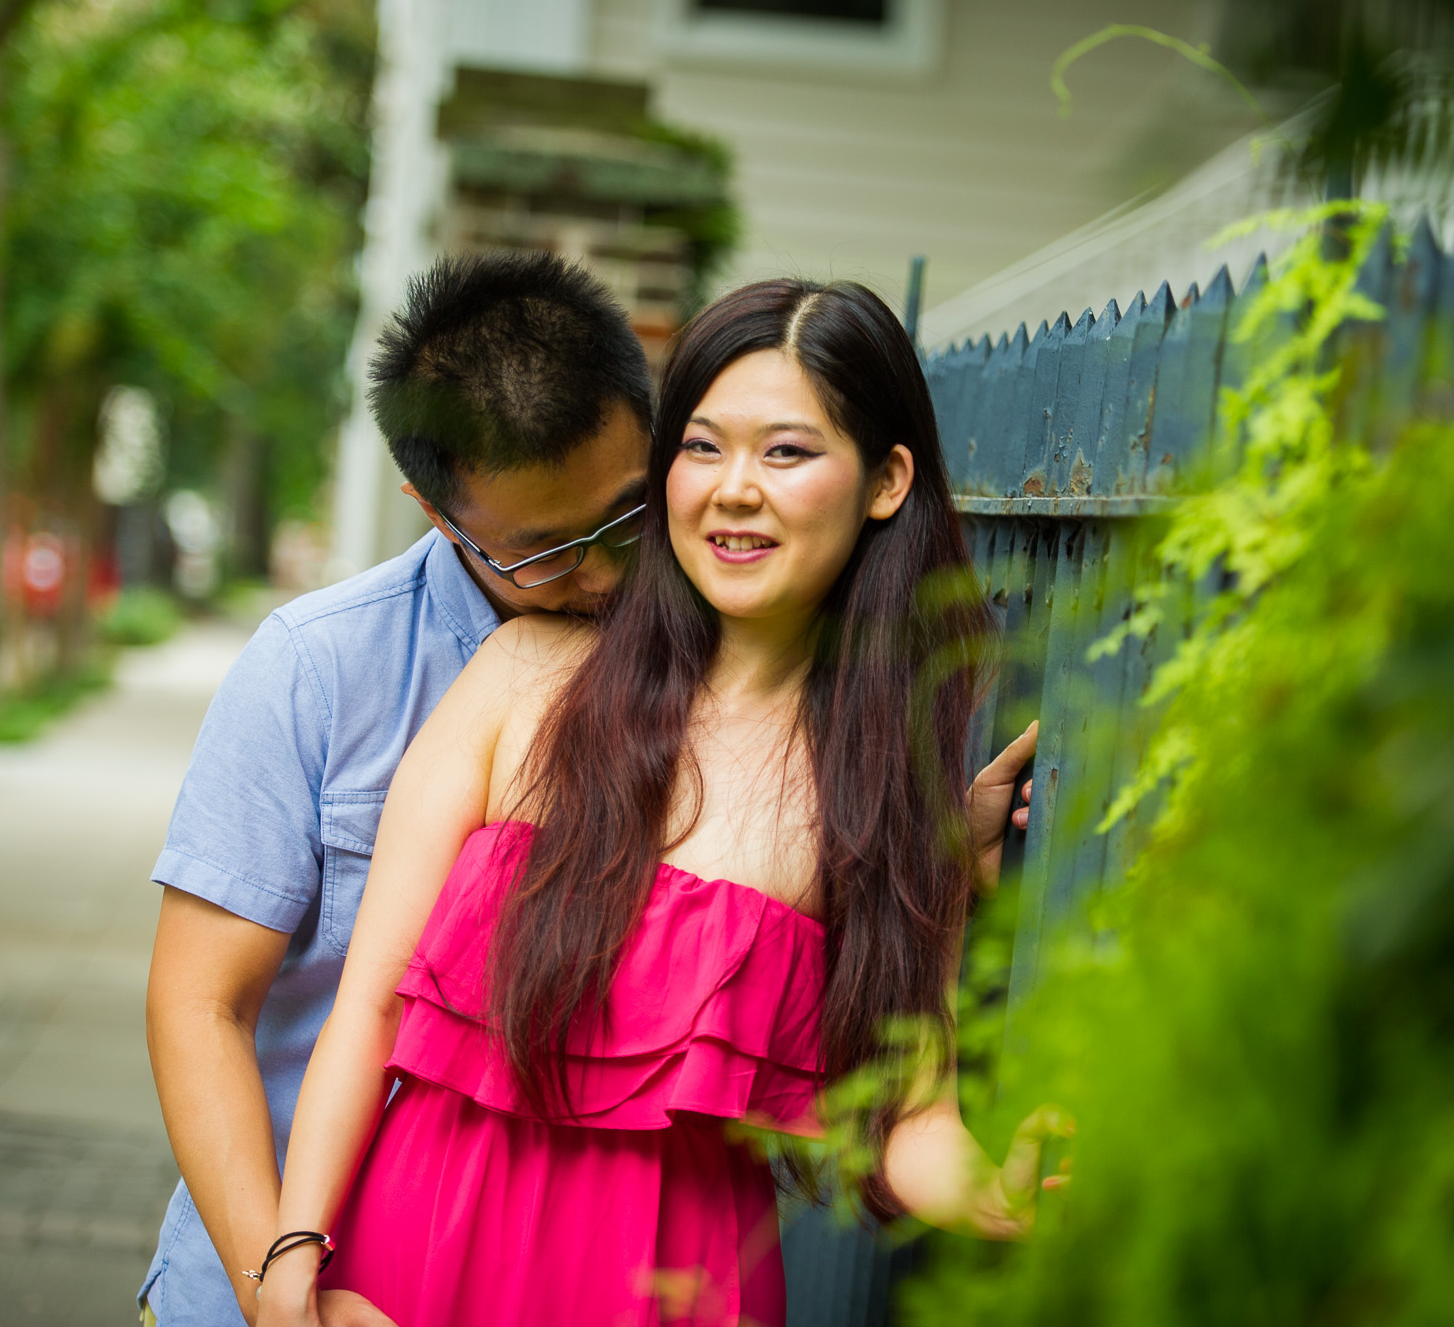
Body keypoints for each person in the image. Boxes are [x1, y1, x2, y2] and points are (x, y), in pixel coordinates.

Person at [252, 278, 1053, 1327]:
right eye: (702, 446)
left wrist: (999, 1194)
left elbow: (909, 1120)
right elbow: (370, 1005)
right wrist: (290, 1261)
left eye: (786, 452)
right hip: (412, 1265)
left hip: (674, 1291)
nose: (732, 488)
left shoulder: (885, 792)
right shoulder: (522, 678)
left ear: (885, 480)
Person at [141, 252, 657, 1326]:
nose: (603, 577)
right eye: (547, 553)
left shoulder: (716, 663)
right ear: (434, 510)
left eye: (623, 520)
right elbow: (200, 1004)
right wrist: (277, 1292)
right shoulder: (318, 669)